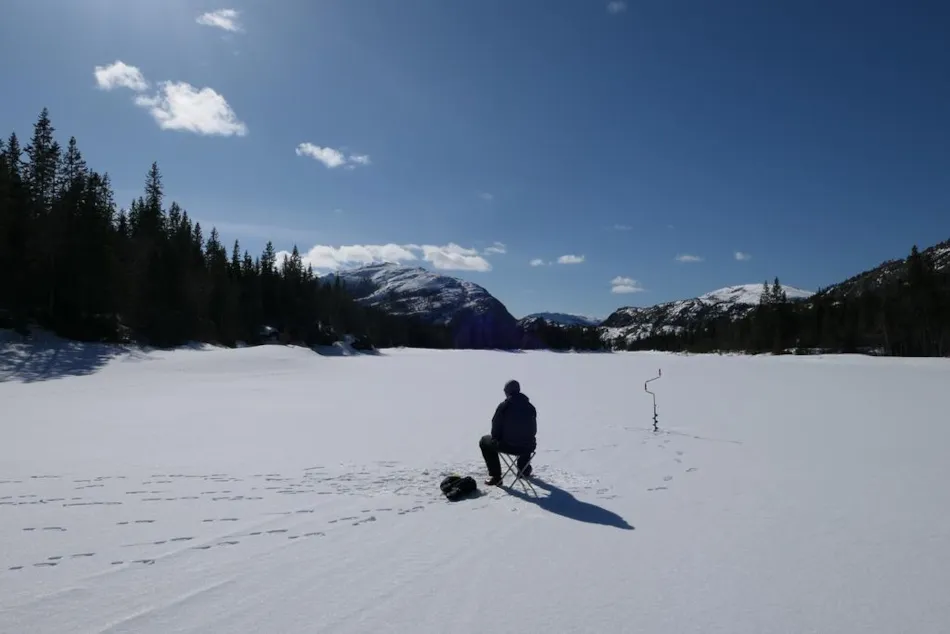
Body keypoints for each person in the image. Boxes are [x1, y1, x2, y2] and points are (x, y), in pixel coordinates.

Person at [479, 379, 537, 486]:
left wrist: (497, 439)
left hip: (509, 446)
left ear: (508, 392)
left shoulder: (504, 406)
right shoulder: (530, 407)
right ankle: (524, 470)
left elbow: (495, 429)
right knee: (526, 438)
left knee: (484, 441)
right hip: (528, 447)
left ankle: (496, 477)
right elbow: (533, 430)